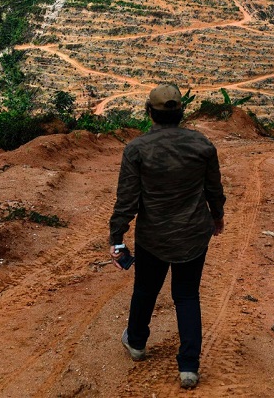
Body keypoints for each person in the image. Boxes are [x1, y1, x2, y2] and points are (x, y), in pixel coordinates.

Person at [109, 83, 226, 390]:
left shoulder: (136, 149)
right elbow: (214, 188)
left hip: (154, 237)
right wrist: (217, 216)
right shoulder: (202, 145)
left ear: (150, 113)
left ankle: (136, 343)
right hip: (193, 234)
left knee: (145, 290)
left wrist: (117, 237)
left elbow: (127, 201)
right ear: (181, 113)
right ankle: (188, 367)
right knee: (186, 295)